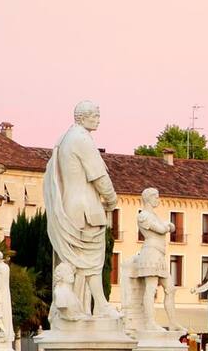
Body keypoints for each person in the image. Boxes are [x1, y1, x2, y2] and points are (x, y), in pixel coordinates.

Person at [43, 101, 122, 319]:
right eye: (95, 115)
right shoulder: (81, 139)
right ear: (83, 117)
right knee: (92, 259)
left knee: (78, 261)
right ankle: (98, 305)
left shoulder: (65, 138)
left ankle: (78, 305)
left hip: (71, 204)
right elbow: (99, 176)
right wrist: (112, 199)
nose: (98, 119)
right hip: (85, 207)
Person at [125, 188, 177, 332]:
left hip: (159, 254)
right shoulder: (143, 216)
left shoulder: (154, 215)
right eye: (156, 197)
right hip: (150, 253)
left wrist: (167, 226)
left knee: (170, 289)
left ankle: (173, 323)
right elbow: (161, 229)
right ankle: (150, 323)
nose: (158, 199)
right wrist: (167, 226)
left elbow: (166, 227)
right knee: (151, 288)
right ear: (148, 198)